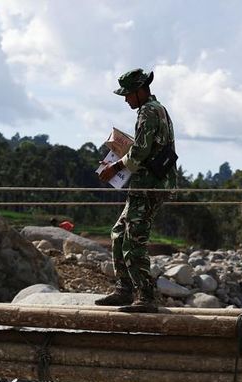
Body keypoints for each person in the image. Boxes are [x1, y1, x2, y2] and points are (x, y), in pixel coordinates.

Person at [96, 68, 177, 313]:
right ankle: (124, 289)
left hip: (149, 187)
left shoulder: (148, 112)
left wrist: (114, 167)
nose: (126, 99)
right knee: (119, 232)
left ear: (141, 91)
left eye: (129, 94)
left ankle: (145, 295)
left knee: (134, 239)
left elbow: (140, 152)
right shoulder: (156, 109)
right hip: (146, 186)